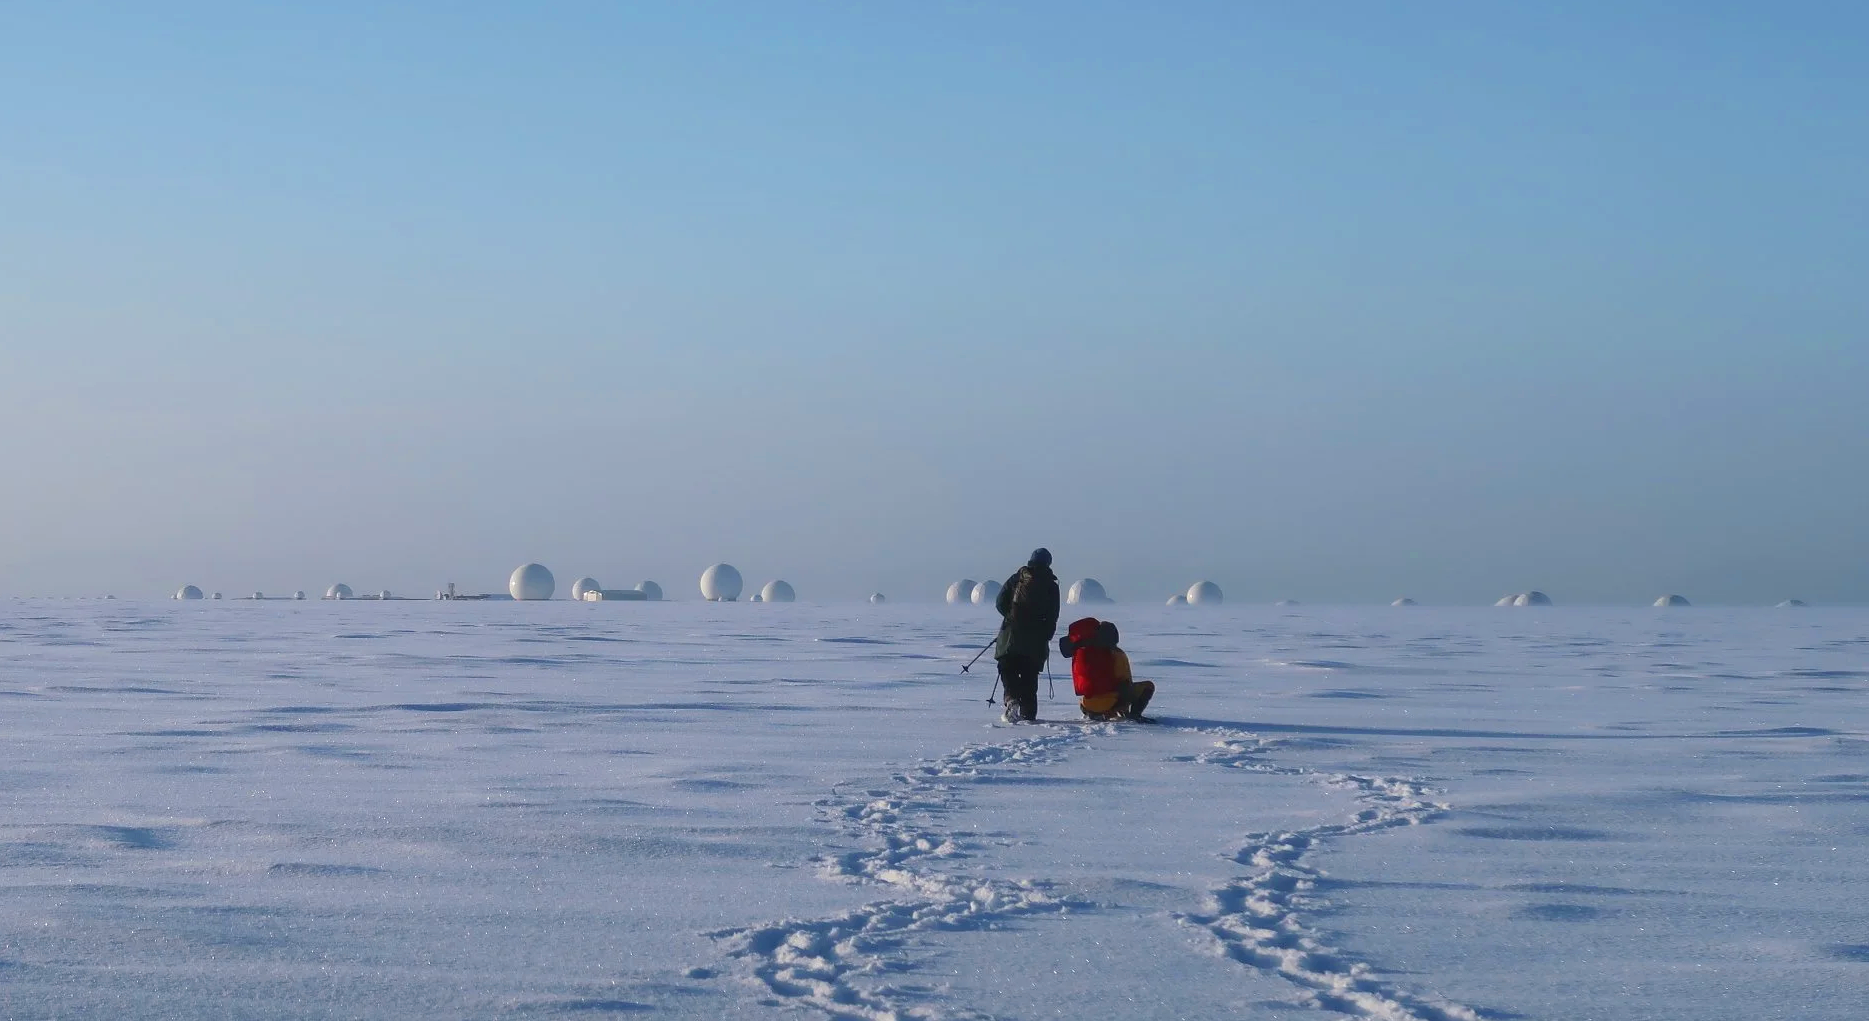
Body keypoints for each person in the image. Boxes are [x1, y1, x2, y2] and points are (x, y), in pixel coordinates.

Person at [992, 548, 1061, 722]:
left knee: (1007, 667)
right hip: (1036, 640)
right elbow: (1053, 615)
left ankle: (1011, 699)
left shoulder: (1018, 578)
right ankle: (1028, 715)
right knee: (1030, 675)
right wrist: (1046, 635)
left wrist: (1010, 618)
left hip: (1012, 636)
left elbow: (1000, 602)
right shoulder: (1051, 586)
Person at [1059, 617, 1156, 721]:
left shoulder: (1081, 652)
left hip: (1087, 706)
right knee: (1148, 686)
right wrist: (1123, 704)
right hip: (1109, 705)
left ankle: (1096, 711)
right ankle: (1133, 715)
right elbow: (1124, 682)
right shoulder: (1116, 654)